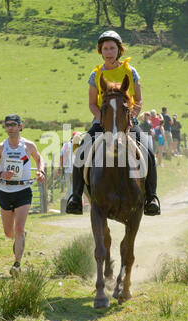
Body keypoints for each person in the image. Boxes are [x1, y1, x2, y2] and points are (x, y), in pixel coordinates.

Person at [65, 30, 161, 216]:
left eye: (112, 48)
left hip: (127, 121)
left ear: (119, 50)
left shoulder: (130, 71)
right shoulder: (96, 75)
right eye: (105, 48)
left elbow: (138, 100)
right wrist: (104, 121)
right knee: (83, 149)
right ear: (100, 51)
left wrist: (131, 118)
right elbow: (93, 104)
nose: (109, 52)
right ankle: (76, 197)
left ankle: (151, 197)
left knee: (148, 148)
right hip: (103, 122)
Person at [0, 114, 45, 277]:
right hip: (5, 191)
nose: (10, 128)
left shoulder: (28, 146)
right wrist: (1, 173)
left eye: (13, 124)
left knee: (18, 228)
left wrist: (41, 171)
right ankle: (20, 236)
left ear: (20, 126)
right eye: (7, 125)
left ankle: (17, 265)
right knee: (8, 233)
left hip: (23, 190)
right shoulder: (0, 147)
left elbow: (40, 159)